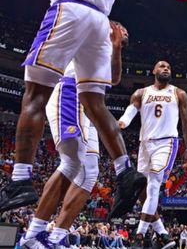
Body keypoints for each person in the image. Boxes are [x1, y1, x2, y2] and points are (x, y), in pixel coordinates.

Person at [2, 0, 145, 217]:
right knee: (95, 103)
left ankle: (21, 178)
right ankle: (124, 170)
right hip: (99, 22)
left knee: (35, 95)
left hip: (69, 12)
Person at [18, 22, 128, 248]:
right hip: (70, 91)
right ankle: (32, 235)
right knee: (72, 160)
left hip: (89, 108)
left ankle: (56, 237)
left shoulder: (109, 47)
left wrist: (117, 47)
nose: (125, 32)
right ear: (112, 25)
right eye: (122, 27)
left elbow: (114, 78)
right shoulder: (93, 28)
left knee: (90, 173)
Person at [118, 61, 187, 246]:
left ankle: (140, 235)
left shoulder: (179, 93)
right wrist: (122, 122)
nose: (166, 68)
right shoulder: (141, 93)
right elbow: (130, 111)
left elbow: (186, 123)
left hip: (166, 143)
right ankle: (162, 233)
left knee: (153, 187)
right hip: (145, 144)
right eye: (162, 66)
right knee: (141, 190)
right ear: (153, 71)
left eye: (168, 67)